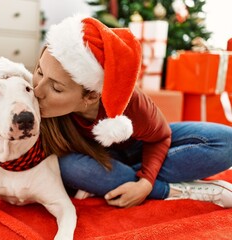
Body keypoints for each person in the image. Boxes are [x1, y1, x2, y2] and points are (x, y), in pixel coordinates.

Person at [33, 15, 232, 208]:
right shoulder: (28, 98)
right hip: (99, 160)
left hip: (142, 145)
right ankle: (170, 190)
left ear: (91, 96)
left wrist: (145, 183)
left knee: (227, 141)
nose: (37, 90)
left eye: (56, 88)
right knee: (70, 167)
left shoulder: (131, 101)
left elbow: (160, 137)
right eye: (40, 71)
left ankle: (116, 183)